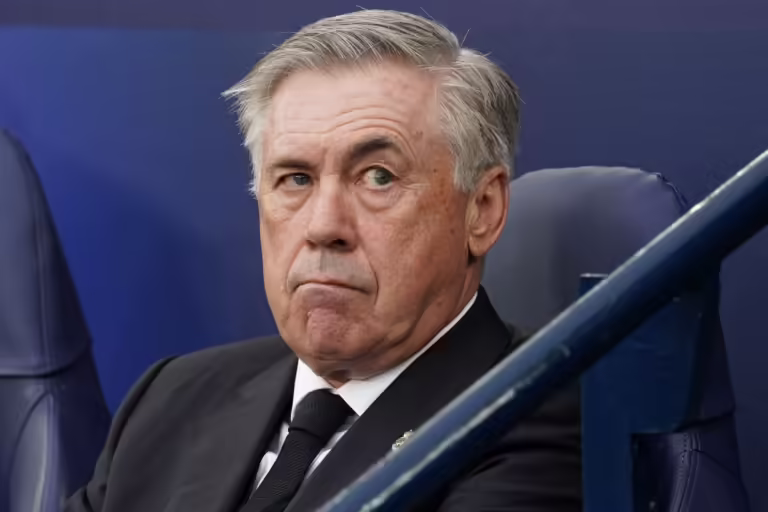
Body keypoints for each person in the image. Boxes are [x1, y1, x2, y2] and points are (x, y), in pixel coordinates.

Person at [66, 9, 581, 512]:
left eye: (378, 176)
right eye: (296, 179)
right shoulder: (172, 398)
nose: (323, 226)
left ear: (482, 210)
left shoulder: (541, 415)